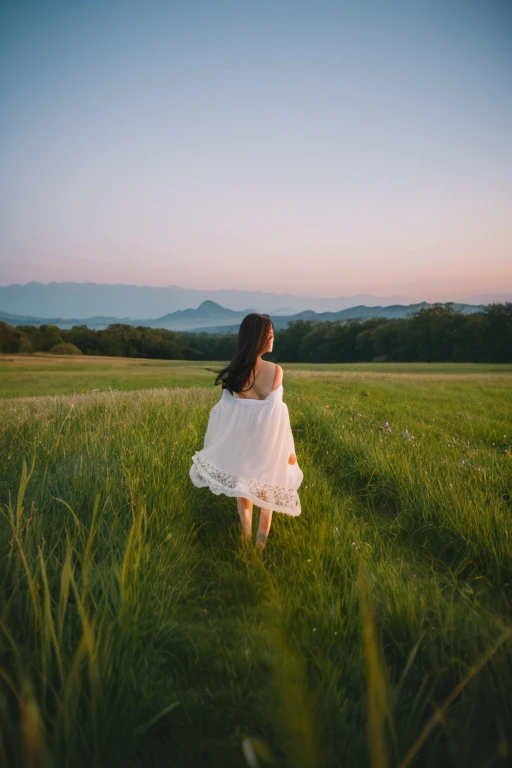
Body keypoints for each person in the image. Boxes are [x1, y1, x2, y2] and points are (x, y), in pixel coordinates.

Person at [189, 313, 303, 550]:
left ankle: (245, 536)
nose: (273, 338)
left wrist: (220, 443)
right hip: (267, 442)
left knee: (244, 489)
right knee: (266, 495)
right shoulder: (275, 371)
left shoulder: (235, 373)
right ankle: (258, 550)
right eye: (269, 334)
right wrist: (287, 451)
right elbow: (277, 415)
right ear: (259, 338)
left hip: (242, 440)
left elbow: (224, 412)